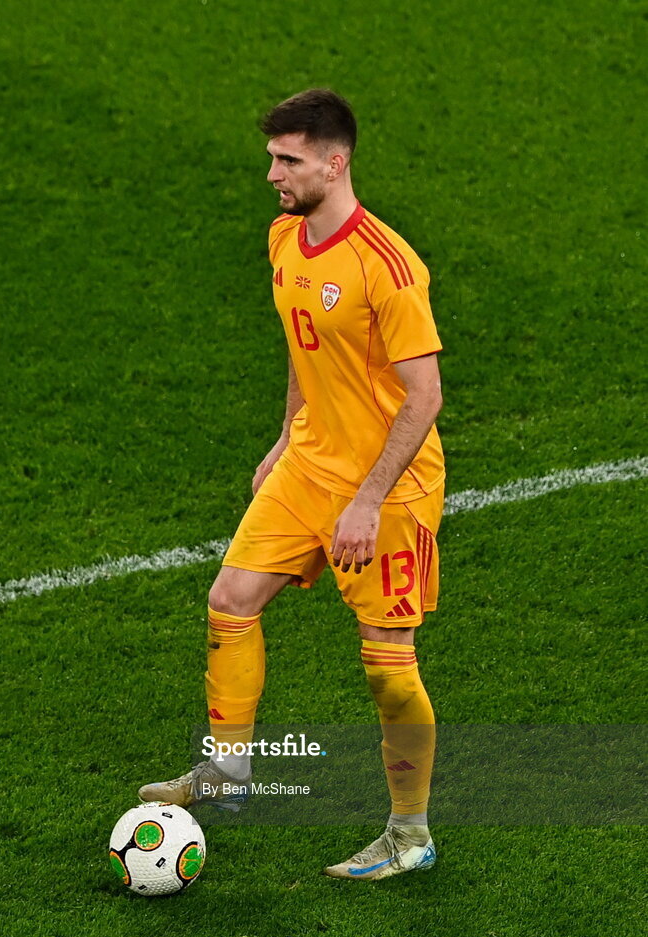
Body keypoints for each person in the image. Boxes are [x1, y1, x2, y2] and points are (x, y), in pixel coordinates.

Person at [140, 89, 445, 882]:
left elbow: (424, 397)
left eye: (288, 160)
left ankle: (408, 834)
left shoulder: (387, 267)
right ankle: (226, 770)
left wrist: (367, 500)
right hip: (308, 463)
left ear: (334, 163)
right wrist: (286, 436)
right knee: (230, 599)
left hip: (388, 489)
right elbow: (304, 346)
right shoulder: (284, 237)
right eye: (271, 157)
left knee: (387, 665)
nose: (272, 174)